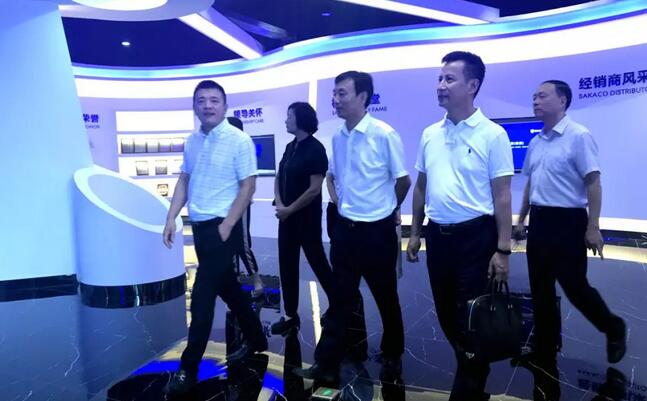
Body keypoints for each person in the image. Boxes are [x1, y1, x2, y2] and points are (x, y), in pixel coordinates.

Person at [407, 51, 513, 400]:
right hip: (438, 239)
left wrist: (503, 250)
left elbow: (502, 196)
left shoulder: (492, 135)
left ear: (472, 85)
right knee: (447, 318)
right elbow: (421, 186)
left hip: (476, 239)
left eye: (449, 79)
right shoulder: (430, 134)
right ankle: (474, 376)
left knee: (470, 322)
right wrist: (415, 232)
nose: (441, 85)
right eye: (440, 78)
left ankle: (468, 387)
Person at [513, 80, 626, 400]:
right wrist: (521, 219)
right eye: (533, 96)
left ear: (562, 101)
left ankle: (613, 327)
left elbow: (593, 183)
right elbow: (532, 185)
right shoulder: (536, 142)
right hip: (541, 221)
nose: (535, 100)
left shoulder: (579, 136)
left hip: (569, 222)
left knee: (576, 288)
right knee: (540, 291)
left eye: (542, 95)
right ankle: (545, 351)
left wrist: (593, 226)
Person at [297, 71, 411, 381]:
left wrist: (389, 209)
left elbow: (403, 181)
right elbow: (334, 176)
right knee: (340, 298)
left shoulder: (384, 134)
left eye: (342, 93)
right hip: (345, 231)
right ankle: (326, 361)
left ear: (362, 97)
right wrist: (340, 204)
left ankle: (393, 354)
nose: (335, 100)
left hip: (377, 232)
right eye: (334, 94)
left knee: (386, 296)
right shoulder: (338, 136)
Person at [161, 80, 267, 395]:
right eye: (202, 100)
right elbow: (184, 180)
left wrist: (228, 224)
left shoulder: (239, 140)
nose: (208, 105)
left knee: (202, 295)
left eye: (214, 100)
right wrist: (171, 217)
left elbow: (248, 186)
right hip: (201, 227)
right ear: (195, 105)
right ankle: (257, 337)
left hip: (224, 227)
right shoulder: (192, 141)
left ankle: (188, 368)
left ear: (224, 105)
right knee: (229, 289)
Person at [270, 102, 336, 336]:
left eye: (289, 116)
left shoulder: (316, 149)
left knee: (318, 263)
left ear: (301, 119)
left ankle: (339, 305)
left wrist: (289, 209)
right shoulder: (291, 147)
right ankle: (290, 315)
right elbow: (279, 176)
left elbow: (314, 189)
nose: (286, 120)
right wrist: (280, 203)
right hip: (286, 218)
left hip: (306, 220)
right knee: (287, 265)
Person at [226, 116, 264, 298]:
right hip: (225, 205)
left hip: (240, 203)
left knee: (242, 243)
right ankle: (234, 279)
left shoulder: (244, 152)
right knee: (229, 242)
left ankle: (257, 280)